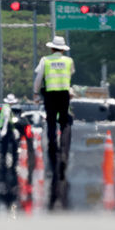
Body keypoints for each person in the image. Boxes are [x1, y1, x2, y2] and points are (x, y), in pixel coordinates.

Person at [33, 36, 74, 208]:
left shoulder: (45, 60)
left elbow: (39, 78)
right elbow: (69, 77)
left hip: (50, 94)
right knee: (64, 121)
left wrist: (36, 92)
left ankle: (53, 147)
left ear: (51, 49)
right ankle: (64, 149)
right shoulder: (69, 61)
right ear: (63, 49)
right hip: (64, 93)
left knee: (51, 121)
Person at [0, 93, 19, 196]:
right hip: (7, 130)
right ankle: (11, 161)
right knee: (11, 146)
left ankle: (5, 160)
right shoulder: (7, 108)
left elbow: (9, 119)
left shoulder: (6, 107)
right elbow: (6, 119)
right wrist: (5, 129)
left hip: (8, 129)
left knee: (6, 145)